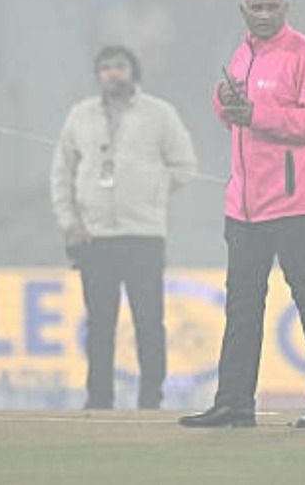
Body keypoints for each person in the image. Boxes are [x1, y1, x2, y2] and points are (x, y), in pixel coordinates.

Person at [179, 0, 305, 429]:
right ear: (243, 9)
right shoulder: (240, 55)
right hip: (246, 203)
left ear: (287, 8)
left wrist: (256, 113)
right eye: (258, 7)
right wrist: (224, 101)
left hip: (295, 202)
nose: (266, 15)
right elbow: (236, 118)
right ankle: (234, 402)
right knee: (241, 302)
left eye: (274, 7)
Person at [50, 45, 198, 410]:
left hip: (144, 235)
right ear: (97, 74)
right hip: (95, 235)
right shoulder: (80, 116)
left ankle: (151, 399)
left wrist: (152, 194)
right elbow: (61, 173)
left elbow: (184, 165)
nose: (112, 74)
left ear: (133, 70)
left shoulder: (160, 114)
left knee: (149, 322)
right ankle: (98, 399)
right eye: (104, 68)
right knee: (100, 325)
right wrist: (70, 223)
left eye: (119, 66)